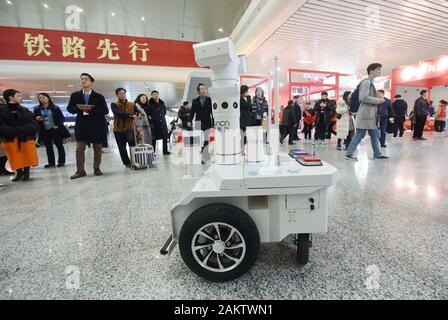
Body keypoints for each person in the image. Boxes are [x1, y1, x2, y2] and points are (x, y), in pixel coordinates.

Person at [67, 73, 109, 179]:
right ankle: (80, 171)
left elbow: (105, 110)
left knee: (97, 148)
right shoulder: (75, 95)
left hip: (96, 125)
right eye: (82, 79)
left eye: (86, 79)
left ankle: (97, 168)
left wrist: (91, 108)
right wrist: (79, 108)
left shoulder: (99, 96)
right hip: (82, 125)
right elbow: (69, 109)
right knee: (79, 148)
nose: (83, 81)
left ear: (91, 82)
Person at [346, 63, 388, 161]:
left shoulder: (370, 82)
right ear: (371, 70)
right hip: (366, 114)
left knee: (374, 134)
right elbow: (363, 97)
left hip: (369, 114)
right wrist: (379, 100)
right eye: (377, 69)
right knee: (360, 134)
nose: (379, 71)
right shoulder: (367, 82)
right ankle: (349, 153)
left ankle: (377, 154)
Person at [0, 89, 39, 181]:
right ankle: (19, 173)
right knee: (14, 155)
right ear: (10, 97)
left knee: (27, 154)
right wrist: (14, 131)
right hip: (10, 138)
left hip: (25, 137)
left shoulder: (24, 110)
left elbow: (33, 123)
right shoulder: (2, 110)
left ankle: (26, 172)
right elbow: (2, 125)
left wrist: (21, 130)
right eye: (18, 96)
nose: (20, 98)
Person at [33, 93, 68, 168]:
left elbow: (62, 118)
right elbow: (33, 119)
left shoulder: (55, 107)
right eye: (40, 98)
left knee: (59, 145)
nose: (42, 99)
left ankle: (61, 161)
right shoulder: (37, 109)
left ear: (48, 98)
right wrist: (36, 118)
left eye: (44, 97)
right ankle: (51, 162)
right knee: (48, 147)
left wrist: (57, 125)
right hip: (45, 130)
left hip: (55, 130)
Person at [111, 88, 139, 167]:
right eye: (120, 93)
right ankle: (127, 163)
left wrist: (138, 115)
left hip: (130, 128)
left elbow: (137, 112)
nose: (122, 95)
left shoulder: (131, 104)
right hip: (118, 130)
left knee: (132, 146)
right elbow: (118, 113)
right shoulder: (114, 104)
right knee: (122, 148)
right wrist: (130, 115)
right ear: (117, 95)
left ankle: (135, 161)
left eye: (123, 93)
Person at [188, 83, 214, 162]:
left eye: (204, 88)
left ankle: (206, 155)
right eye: (202, 89)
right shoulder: (195, 100)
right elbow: (192, 112)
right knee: (198, 139)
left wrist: (214, 121)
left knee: (206, 139)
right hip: (198, 122)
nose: (204, 90)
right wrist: (189, 121)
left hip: (207, 121)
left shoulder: (209, 99)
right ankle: (198, 154)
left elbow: (212, 111)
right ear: (198, 91)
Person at [148, 90, 170, 155]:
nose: (156, 95)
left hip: (163, 122)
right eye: (154, 94)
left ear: (159, 95)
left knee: (165, 137)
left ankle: (165, 151)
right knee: (153, 138)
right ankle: (153, 152)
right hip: (154, 123)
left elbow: (164, 112)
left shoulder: (162, 103)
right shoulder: (149, 104)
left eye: (157, 94)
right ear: (151, 96)